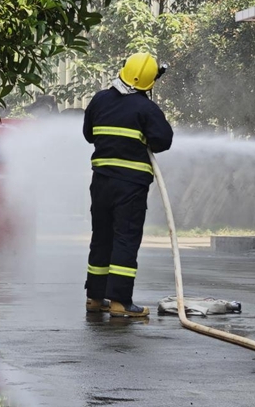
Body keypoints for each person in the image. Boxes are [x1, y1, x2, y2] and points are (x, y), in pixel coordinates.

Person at [83, 52, 173, 318]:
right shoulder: (146, 108)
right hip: (130, 187)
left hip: (100, 182)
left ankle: (95, 297)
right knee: (125, 238)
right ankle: (121, 301)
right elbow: (163, 141)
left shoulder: (100, 100)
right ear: (149, 82)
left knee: (101, 236)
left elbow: (89, 135)